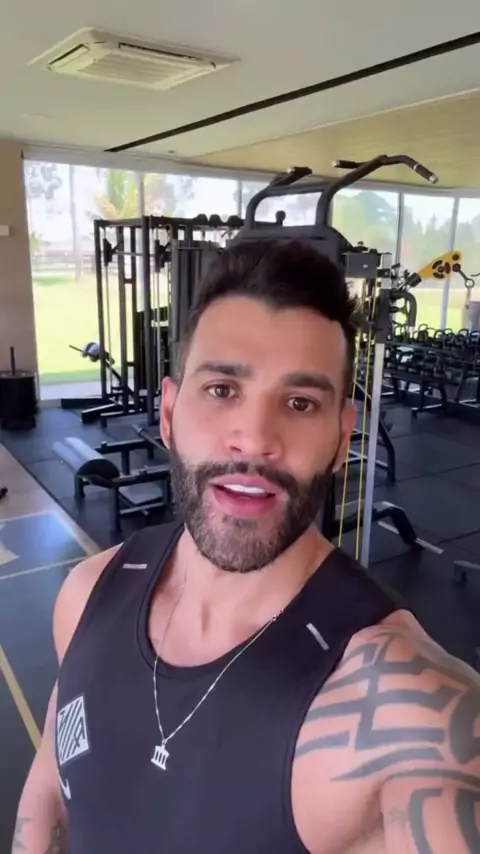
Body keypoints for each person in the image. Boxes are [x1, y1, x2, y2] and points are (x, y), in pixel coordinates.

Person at [13, 239, 480, 854]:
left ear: (343, 438)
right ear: (169, 414)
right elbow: (48, 793)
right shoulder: (85, 595)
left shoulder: (416, 721)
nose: (255, 439)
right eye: (222, 390)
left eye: (299, 403)